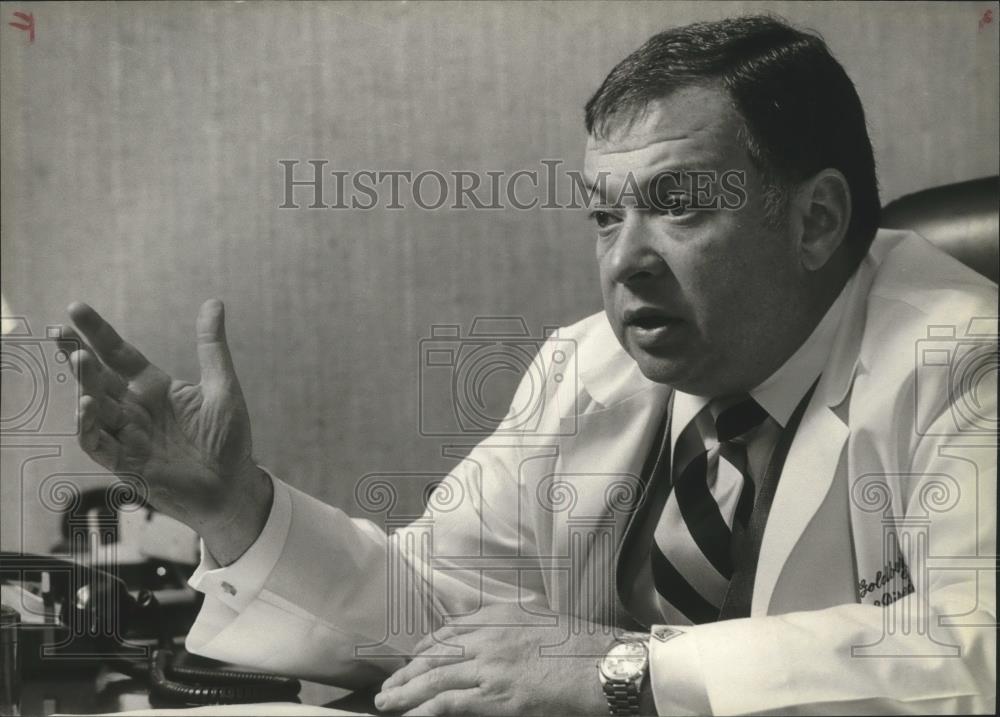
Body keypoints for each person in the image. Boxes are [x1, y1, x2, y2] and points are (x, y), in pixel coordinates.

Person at [59, 15, 995, 716]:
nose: (624, 259)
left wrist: (622, 669)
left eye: (677, 203)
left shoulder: (963, 361)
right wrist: (234, 507)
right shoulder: (585, 369)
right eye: (603, 213)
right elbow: (433, 609)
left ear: (816, 221)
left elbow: (974, 652)